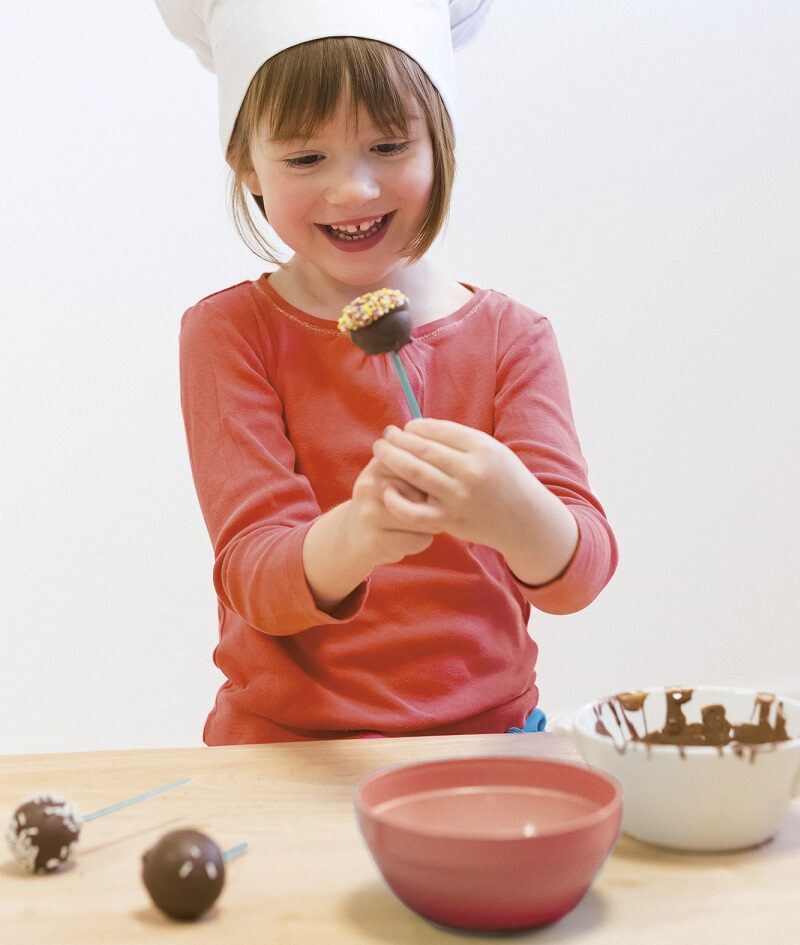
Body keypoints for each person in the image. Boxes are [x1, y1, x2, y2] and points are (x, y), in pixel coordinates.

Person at [156, 0, 618, 745]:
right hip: (285, 753)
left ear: (441, 142)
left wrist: (515, 510)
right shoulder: (229, 334)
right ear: (248, 165)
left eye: (390, 145)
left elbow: (582, 571)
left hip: (486, 743)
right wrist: (362, 532)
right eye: (307, 158)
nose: (354, 190)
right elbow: (256, 578)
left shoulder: (511, 338)